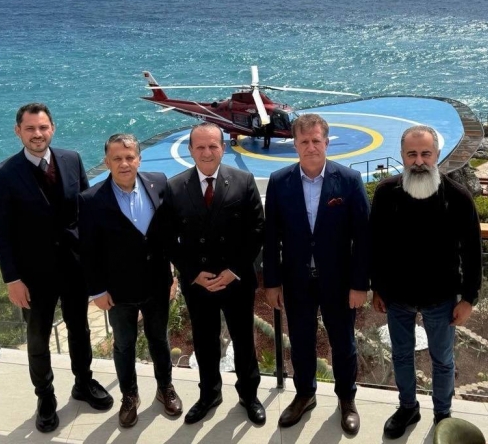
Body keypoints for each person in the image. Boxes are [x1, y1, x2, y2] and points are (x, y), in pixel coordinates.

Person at [0, 103, 112, 433]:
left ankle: (83, 383)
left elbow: (85, 210)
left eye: (43, 127)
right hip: (33, 275)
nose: (37, 134)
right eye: (30, 128)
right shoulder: (3, 173)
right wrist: (12, 278)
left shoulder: (71, 159)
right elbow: (1, 231)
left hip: (74, 267)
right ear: (18, 131)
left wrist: (94, 260)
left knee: (80, 330)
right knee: (38, 338)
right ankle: (45, 396)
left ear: (52, 128)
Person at [370, 125, 482, 439]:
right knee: (401, 355)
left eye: (425, 154)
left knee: (443, 361)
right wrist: (377, 288)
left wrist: (469, 299)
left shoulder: (458, 198)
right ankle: (408, 407)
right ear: (402, 156)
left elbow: (472, 252)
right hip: (397, 297)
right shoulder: (386, 194)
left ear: (437, 155)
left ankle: (443, 415)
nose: (419, 161)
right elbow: (376, 246)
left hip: (442, 299)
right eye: (412, 154)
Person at [263, 113, 370, 435]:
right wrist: (272, 283)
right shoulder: (279, 181)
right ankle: (304, 394)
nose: (311, 147)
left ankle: (347, 399)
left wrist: (360, 285)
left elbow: (364, 238)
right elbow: (271, 237)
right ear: (295, 144)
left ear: (326, 142)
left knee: (343, 343)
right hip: (296, 281)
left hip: (339, 281)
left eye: (316, 140)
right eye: (304, 141)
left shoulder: (349, 180)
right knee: (300, 342)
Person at [162, 122, 266, 425]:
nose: (207, 152)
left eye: (213, 146)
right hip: (199, 283)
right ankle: (209, 394)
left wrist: (234, 270)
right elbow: (167, 238)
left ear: (223, 148)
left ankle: (249, 395)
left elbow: (257, 231)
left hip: (236, 280)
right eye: (200, 147)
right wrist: (193, 273)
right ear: (190, 150)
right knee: (204, 341)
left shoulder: (243, 180)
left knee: (243, 340)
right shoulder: (175, 186)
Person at [78, 133, 183, 428]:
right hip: (118, 290)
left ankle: (165, 388)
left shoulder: (159, 183)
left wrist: (173, 274)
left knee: (159, 339)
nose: (124, 164)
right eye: (117, 158)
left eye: (129, 157)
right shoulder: (90, 200)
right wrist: (97, 290)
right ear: (106, 162)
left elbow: (168, 234)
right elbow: (88, 250)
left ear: (139, 159)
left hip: (156, 284)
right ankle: (129, 396)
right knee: (124, 345)